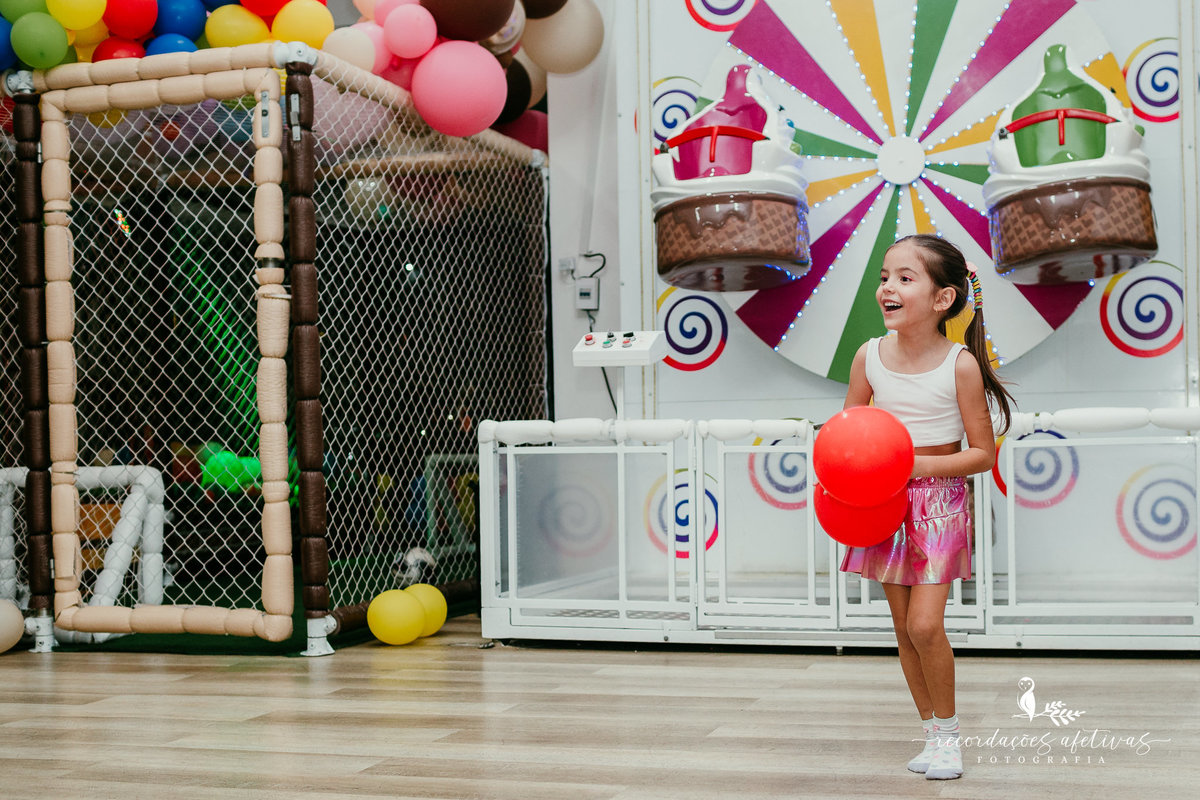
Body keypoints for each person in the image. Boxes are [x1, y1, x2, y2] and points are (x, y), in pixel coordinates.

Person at [839, 234, 1014, 781]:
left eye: (905, 278)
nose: (887, 287)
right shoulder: (868, 356)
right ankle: (932, 735)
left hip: (938, 504)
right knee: (901, 627)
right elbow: (849, 431)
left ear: (943, 299)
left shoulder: (960, 365)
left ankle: (952, 734)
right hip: (883, 504)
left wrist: (915, 466)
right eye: (885, 276)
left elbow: (982, 454)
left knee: (924, 625)